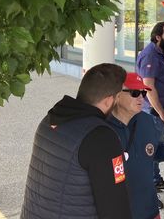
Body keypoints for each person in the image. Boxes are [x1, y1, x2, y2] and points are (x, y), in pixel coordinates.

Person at [21, 64, 132, 219]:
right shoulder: (101, 137)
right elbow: (115, 208)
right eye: (118, 97)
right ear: (108, 101)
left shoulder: (48, 120)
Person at [108, 72, 164, 219]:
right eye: (135, 92)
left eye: (143, 92)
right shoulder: (101, 128)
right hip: (118, 209)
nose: (141, 97)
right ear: (117, 95)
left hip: (148, 207)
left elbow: (155, 152)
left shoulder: (149, 122)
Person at [136, 21, 164, 193]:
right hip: (154, 111)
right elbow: (149, 87)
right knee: (153, 149)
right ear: (157, 37)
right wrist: (161, 112)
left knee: (155, 147)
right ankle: (151, 185)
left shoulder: (159, 52)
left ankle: (155, 180)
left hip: (161, 109)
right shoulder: (150, 56)